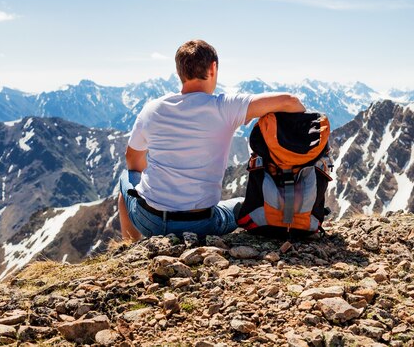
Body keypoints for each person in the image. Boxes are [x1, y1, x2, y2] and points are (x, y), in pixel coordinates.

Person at [117, 39, 305, 241]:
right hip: (201, 224)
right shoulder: (225, 108)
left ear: (179, 72)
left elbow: (133, 160)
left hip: (150, 220)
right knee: (241, 203)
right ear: (213, 68)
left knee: (126, 178)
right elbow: (291, 102)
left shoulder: (152, 109)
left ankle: (131, 245)